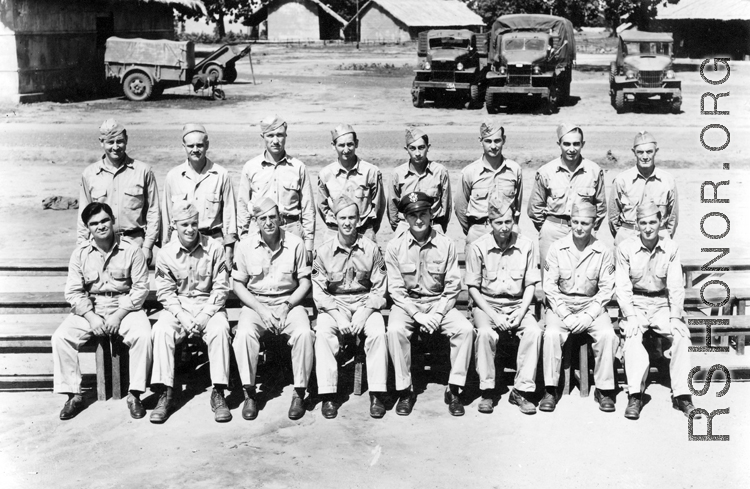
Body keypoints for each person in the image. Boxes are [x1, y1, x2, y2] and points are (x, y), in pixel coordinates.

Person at [52, 203, 151, 420]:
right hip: (92, 308)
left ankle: (135, 394)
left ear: (113, 220)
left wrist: (118, 314)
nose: (101, 226)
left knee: (143, 335)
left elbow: (141, 288)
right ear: (88, 227)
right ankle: (73, 395)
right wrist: (91, 316)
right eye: (94, 223)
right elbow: (73, 292)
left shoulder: (132, 250)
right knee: (61, 337)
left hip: (126, 308)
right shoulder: (80, 254)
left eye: (104, 220)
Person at [385, 191, 474, 417]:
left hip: (438, 303)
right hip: (408, 306)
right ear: (405, 218)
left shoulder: (445, 244)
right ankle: (405, 390)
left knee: (464, 330)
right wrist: (418, 315)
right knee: (395, 330)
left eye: (423, 214)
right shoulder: (395, 246)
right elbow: (396, 289)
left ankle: (454, 388)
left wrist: (436, 314)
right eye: (412, 215)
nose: (418, 220)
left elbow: (453, 285)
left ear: (431, 214)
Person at [232, 197, 315, 421]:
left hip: (288, 302)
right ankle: (250, 393)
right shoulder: (245, 246)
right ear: (256, 222)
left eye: (272, 217)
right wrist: (260, 309)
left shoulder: (296, 243)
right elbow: (238, 284)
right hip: (257, 304)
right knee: (244, 335)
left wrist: (287, 306)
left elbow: (305, 282)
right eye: (263, 219)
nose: (268, 222)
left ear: (279, 218)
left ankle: (299, 392)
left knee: (304, 333)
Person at [615, 202, 699, 420]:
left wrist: (676, 317)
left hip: (662, 304)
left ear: (660, 223)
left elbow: (675, 285)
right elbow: (622, 287)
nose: (648, 227)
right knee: (632, 335)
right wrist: (630, 316)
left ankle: (682, 395)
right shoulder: (625, 248)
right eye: (643, 223)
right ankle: (635, 394)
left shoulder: (671, 247)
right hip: (636, 304)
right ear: (637, 225)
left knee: (681, 336)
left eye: (653, 222)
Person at [150, 202, 232, 424]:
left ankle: (219, 391)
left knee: (220, 328)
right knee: (161, 330)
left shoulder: (214, 248)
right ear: (175, 226)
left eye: (194, 223)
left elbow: (221, 287)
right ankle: (165, 392)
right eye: (184, 224)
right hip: (179, 307)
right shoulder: (166, 253)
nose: (190, 229)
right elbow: (166, 294)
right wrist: (184, 318)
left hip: (209, 305)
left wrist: (205, 316)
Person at [312, 195, 389, 419]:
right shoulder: (324, 251)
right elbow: (319, 292)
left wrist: (364, 314)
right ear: (335, 219)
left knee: (377, 331)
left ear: (359, 220)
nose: (347, 222)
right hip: (336, 305)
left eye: (352, 218)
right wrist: (339, 317)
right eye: (342, 217)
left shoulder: (371, 249)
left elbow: (379, 288)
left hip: (365, 303)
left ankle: (377, 392)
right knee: (324, 332)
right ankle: (328, 394)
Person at [540, 202, 618, 413]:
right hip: (561, 305)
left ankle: (603, 389)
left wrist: (588, 316)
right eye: (575, 222)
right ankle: (550, 388)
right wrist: (565, 314)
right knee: (552, 334)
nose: (579, 227)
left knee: (607, 335)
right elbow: (549, 287)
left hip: (590, 305)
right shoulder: (557, 248)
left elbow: (606, 289)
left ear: (594, 224)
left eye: (585, 223)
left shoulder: (602, 251)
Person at [466, 199, 542, 415]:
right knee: (485, 334)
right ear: (490, 223)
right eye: (498, 222)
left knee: (534, 332)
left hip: (518, 304)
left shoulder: (526, 245)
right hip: (487, 305)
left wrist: (520, 313)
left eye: (508, 221)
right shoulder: (478, 246)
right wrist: (493, 316)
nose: (504, 227)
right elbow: (473, 288)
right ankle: (488, 390)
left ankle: (521, 390)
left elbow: (530, 286)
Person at [77, 119, 160, 264]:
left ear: (126, 140)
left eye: (120, 141)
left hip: (135, 245)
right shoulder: (89, 174)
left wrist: (148, 246)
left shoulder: (143, 171)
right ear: (101, 142)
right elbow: (83, 216)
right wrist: (81, 248)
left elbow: (153, 211)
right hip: (101, 247)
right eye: (110, 142)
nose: (115, 147)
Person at [237, 114, 316, 264]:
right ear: (263, 136)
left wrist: (309, 245)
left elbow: (308, 209)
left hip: (290, 231)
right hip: (259, 232)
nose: (275, 141)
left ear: (286, 136)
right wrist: (244, 238)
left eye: (279, 135)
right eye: (270, 135)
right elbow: (242, 205)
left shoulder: (298, 167)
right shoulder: (251, 167)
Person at [527, 124, 607, 269]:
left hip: (583, 231)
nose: (571, 149)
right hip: (553, 231)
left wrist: (589, 228)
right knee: (550, 278)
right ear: (559, 144)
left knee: (582, 277)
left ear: (583, 144)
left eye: (576, 144)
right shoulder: (546, 171)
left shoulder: (594, 171)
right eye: (567, 144)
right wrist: (548, 227)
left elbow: (600, 207)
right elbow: (535, 208)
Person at [162, 123, 237, 273]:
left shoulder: (221, 175)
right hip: (182, 245)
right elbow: (167, 216)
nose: (195, 150)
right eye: (190, 146)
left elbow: (230, 216)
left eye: (199, 145)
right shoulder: (173, 176)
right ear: (183, 146)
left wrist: (228, 251)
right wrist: (166, 246)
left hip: (212, 245)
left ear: (207, 145)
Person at [455, 121, 523, 244]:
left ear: (504, 140)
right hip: (479, 231)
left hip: (507, 232)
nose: (493, 146)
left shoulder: (514, 170)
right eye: (488, 141)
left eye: (497, 141)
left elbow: (517, 206)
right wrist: (473, 229)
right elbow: (460, 208)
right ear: (480, 141)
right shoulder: (469, 172)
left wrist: (512, 226)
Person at [609, 131, 679, 246]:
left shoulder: (668, 181)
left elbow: (673, 218)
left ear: (656, 151)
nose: (645, 157)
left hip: (659, 239)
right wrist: (625, 236)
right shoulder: (621, 180)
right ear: (634, 153)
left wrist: (663, 237)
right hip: (628, 238)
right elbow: (613, 218)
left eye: (649, 152)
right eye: (640, 152)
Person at [317, 124, 385, 241]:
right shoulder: (326, 174)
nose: (346, 150)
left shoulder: (371, 172)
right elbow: (322, 207)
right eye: (341, 145)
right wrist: (338, 224)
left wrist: (369, 228)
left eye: (350, 144)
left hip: (364, 232)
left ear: (356, 143)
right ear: (333, 146)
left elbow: (379, 207)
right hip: (335, 233)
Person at [387, 128, 452, 236]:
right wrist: (400, 229)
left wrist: (439, 227)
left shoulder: (440, 172)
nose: (417, 153)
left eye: (421, 148)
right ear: (406, 149)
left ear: (428, 147)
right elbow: (392, 209)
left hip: (433, 228)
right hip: (406, 228)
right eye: (412, 148)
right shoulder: (397, 174)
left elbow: (446, 206)